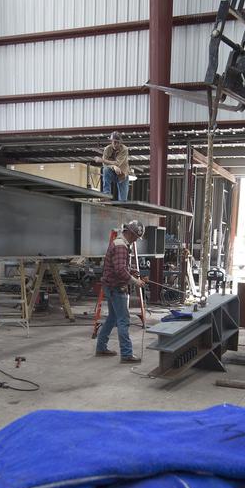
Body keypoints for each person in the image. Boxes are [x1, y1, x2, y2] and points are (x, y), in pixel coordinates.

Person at [95, 220, 146, 363]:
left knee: (112, 318)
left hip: (110, 286)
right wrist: (136, 282)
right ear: (129, 232)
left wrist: (131, 271)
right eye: (135, 236)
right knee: (123, 320)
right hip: (116, 288)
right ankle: (127, 354)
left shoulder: (119, 243)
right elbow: (119, 270)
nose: (136, 239)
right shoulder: (121, 246)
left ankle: (101, 347)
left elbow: (119, 266)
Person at [98, 132, 130, 201]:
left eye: (118, 142)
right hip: (111, 172)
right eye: (114, 142)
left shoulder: (124, 149)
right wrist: (113, 167)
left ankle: (122, 207)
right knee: (105, 170)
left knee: (123, 200)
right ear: (111, 141)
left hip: (122, 175)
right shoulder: (107, 149)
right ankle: (106, 194)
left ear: (120, 142)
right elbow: (104, 164)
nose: (116, 144)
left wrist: (102, 160)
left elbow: (117, 163)